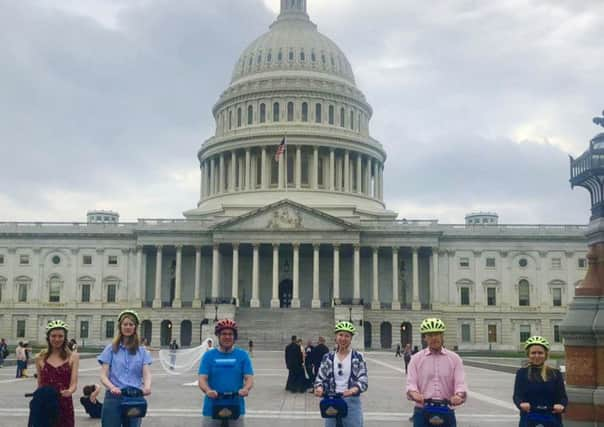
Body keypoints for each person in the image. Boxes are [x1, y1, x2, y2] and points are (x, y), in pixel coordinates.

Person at [406, 318, 467, 427]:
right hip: (422, 409)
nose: (434, 338)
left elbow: (460, 383)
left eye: (437, 334)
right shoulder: (416, 359)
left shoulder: (454, 359)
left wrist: (459, 395)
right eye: (430, 335)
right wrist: (414, 393)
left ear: (442, 335)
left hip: (446, 408)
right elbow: (411, 382)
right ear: (425, 338)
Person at [98, 310, 152, 427]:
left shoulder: (142, 351)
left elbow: (146, 373)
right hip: (114, 397)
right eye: (125, 324)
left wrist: (147, 387)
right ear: (120, 327)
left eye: (131, 324)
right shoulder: (111, 349)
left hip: (134, 397)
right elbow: (103, 374)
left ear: (135, 328)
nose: (128, 327)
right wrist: (112, 387)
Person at [198, 319, 254, 427]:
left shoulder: (242, 356)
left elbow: (249, 377)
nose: (227, 337)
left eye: (230, 334)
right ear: (218, 336)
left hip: (236, 407)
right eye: (223, 334)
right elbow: (202, 378)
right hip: (212, 407)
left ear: (234, 337)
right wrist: (208, 390)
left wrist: (246, 388)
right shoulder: (209, 356)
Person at [314, 321, 368, 427]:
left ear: (351, 338)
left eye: (347, 336)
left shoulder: (358, 357)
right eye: (341, 335)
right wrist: (319, 387)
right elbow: (320, 378)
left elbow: (363, 379)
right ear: (336, 336)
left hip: (351, 401)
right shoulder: (328, 357)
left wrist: (354, 389)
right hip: (331, 401)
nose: (343, 339)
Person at [513, 336, 567, 427]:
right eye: (533, 353)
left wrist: (561, 405)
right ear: (528, 354)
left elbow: (562, 396)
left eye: (540, 353)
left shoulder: (555, 373)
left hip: (551, 416)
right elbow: (517, 395)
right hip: (529, 416)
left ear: (545, 354)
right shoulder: (522, 373)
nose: (537, 356)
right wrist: (521, 403)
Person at [35, 320, 80, 427]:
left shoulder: (73, 357)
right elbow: (40, 383)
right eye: (53, 336)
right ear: (48, 337)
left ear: (65, 338)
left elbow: (73, 383)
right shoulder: (39, 358)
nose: (57, 339)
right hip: (45, 403)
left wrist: (69, 391)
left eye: (60, 336)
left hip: (64, 403)